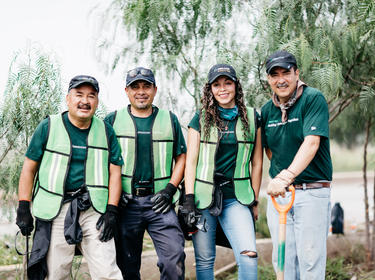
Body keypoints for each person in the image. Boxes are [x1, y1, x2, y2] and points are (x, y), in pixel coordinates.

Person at [15, 75, 123, 280]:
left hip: (94, 208)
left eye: (91, 96)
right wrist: (23, 206)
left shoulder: (106, 131)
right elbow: (29, 169)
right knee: (56, 272)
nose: (85, 101)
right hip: (57, 208)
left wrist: (112, 210)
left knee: (108, 272)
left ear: (97, 102)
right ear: (68, 98)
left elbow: (115, 172)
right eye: (79, 94)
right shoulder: (48, 126)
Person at [181, 63, 263, 280]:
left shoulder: (254, 118)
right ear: (210, 89)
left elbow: (257, 162)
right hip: (203, 199)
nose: (223, 89)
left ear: (236, 86)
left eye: (228, 83)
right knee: (205, 261)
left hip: (236, 198)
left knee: (249, 256)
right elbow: (191, 163)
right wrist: (189, 200)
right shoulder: (199, 119)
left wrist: (254, 200)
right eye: (217, 85)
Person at [105, 67, 186, 280]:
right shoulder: (111, 121)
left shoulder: (170, 119)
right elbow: (101, 162)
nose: (141, 91)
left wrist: (170, 189)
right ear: (126, 91)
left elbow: (182, 157)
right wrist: (112, 195)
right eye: (135, 87)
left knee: (173, 260)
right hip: (126, 205)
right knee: (127, 267)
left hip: (160, 203)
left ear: (155, 89)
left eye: (146, 86)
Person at [261, 50, 332, 280]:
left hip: (311, 192)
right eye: (274, 75)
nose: (280, 79)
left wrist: (286, 176)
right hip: (280, 196)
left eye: (286, 72)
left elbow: (311, 143)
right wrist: (281, 180)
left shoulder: (312, 98)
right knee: (282, 261)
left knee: (310, 261)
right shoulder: (267, 110)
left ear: (296, 73)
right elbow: (270, 150)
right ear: (269, 79)